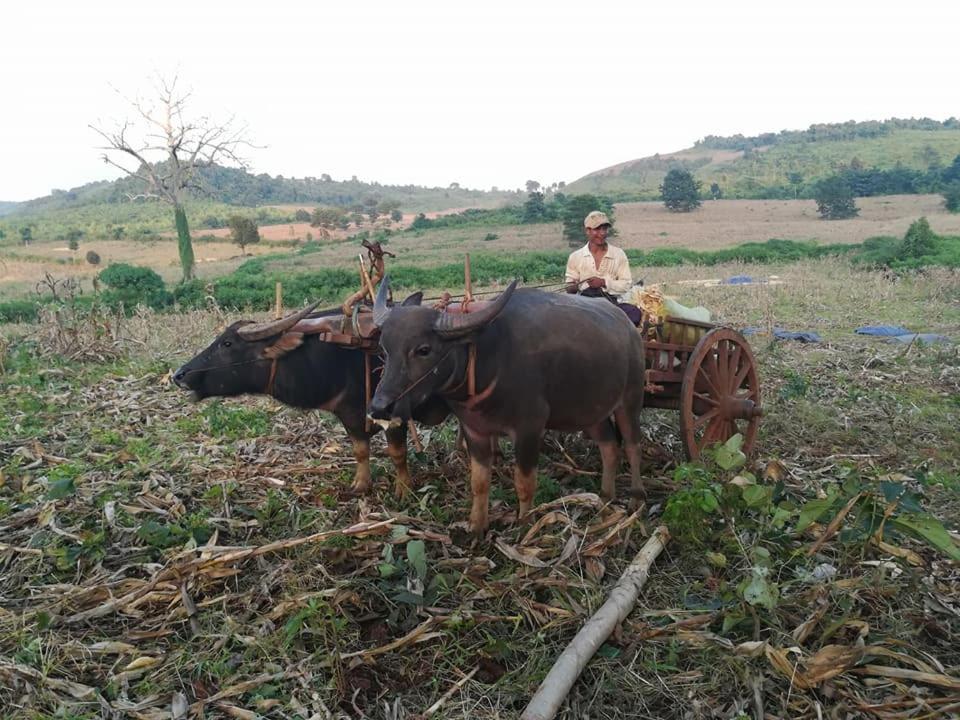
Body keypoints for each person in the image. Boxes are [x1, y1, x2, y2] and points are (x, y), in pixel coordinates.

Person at [564, 211, 641, 325]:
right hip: (584, 305)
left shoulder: (618, 254)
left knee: (635, 313)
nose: (602, 233)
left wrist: (603, 282)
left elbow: (626, 284)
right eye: (597, 229)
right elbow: (569, 288)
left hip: (610, 305)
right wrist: (574, 286)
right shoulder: (575, 257)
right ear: (587, 231)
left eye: (604, 229)